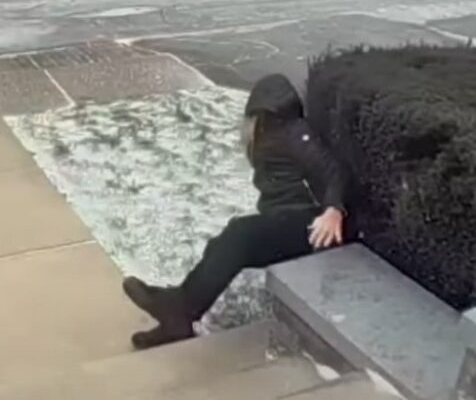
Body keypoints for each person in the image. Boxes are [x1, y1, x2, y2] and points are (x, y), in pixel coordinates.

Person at [121, 74, 352, 350]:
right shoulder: (267, 135)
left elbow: (333, 171)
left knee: (239, 234)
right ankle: (178, 311)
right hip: (285, 220)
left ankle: (178, 310)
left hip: (311, 226)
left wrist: (333, 210)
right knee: (225, 243)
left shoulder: (295, 132)